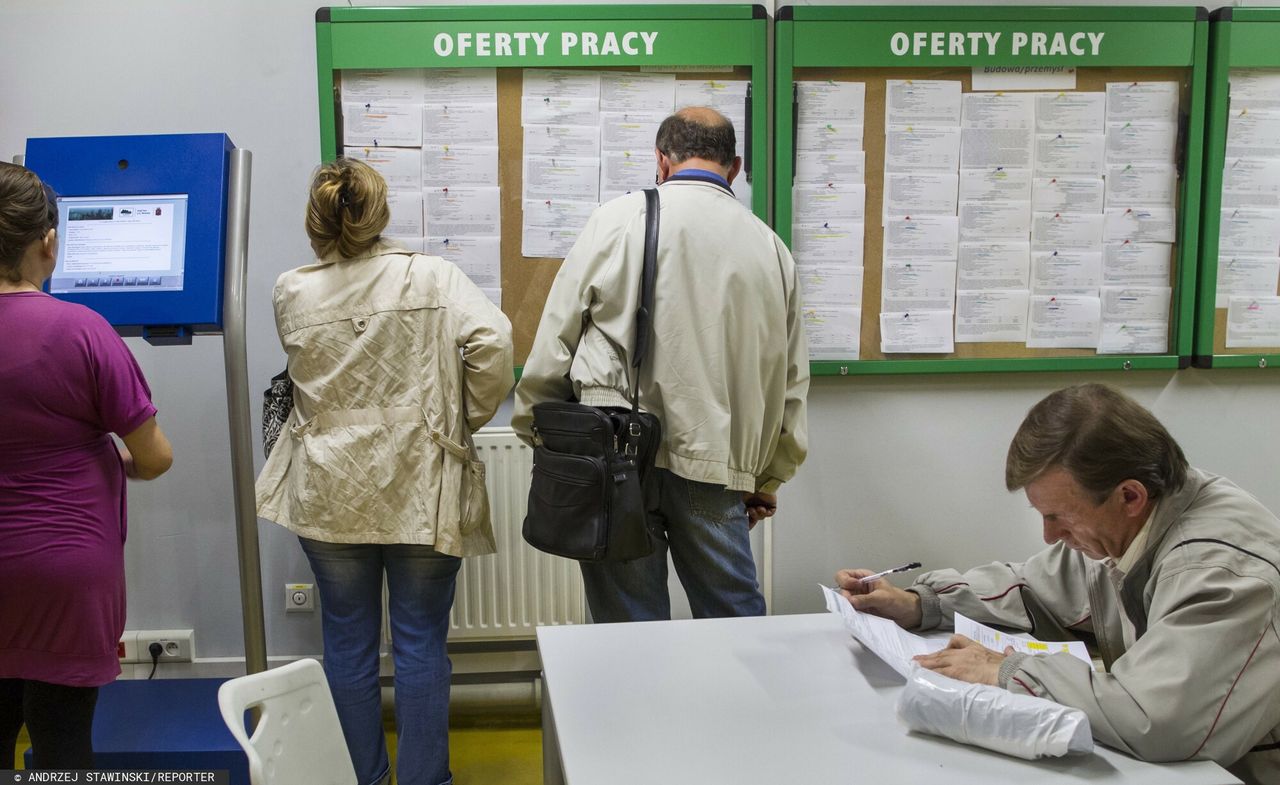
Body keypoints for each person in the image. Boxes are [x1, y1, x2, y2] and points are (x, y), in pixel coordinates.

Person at [836, 383, 1280, 784]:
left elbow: (1157, 721)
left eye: (1057, 516)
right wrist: (917, 602)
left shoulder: (1222, 571)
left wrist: (1007, 670)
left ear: (1129, 496)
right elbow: (1030, 588)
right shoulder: (1135, 524)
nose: (1049, 536)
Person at [256, 158, 513, 785]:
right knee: (421, 642)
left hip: (328, 487)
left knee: (347, 645)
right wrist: (462, 420)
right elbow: (496, 342)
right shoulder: (432, 277)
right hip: (420, 483)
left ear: (316, 221)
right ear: (381, 213)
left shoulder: (291, 289)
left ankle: (362, 778)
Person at [514, 106, 809, 623]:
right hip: (716, 464)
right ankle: (740, 707)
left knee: (630, 624)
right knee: (733, 620)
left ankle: (643, 706)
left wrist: (538, 425)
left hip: (616, 455)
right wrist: (768, 476)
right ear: (734, 167)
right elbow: (791, 380)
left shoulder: (618, 219)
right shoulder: (772, 249)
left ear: (661, 160)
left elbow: (557, 335)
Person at [0, 162, 173, 767]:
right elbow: (155, 457)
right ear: (49, 243)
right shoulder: (84, 331)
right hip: (64, 574)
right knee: (62, 746)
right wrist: (114, 461)